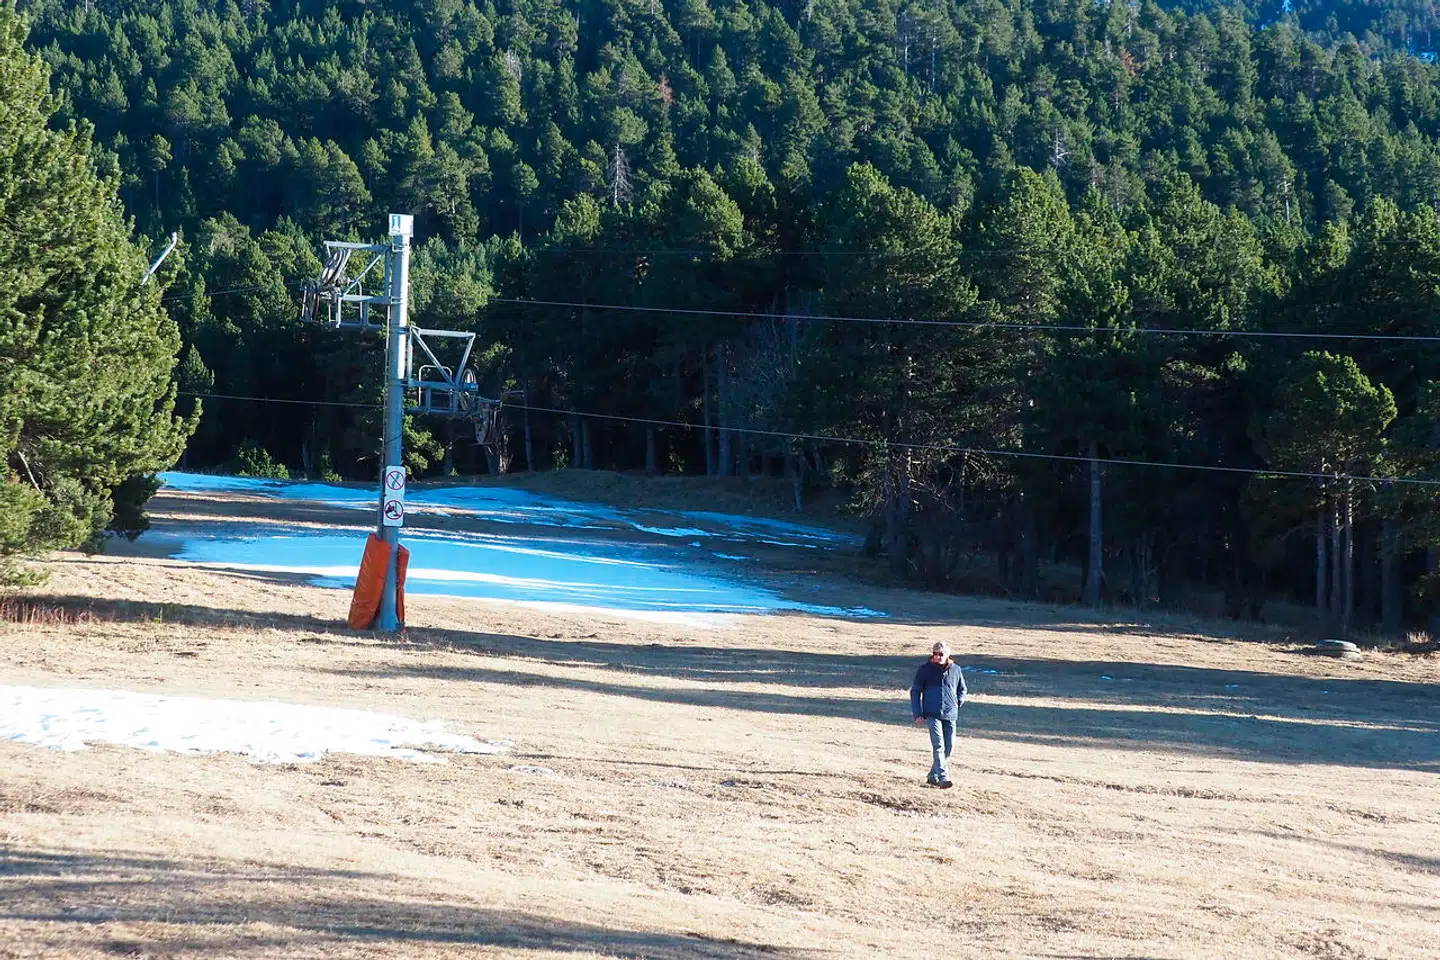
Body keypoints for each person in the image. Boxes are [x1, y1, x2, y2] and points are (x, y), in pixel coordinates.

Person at [910, 640, 968, 788]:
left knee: (949, 747)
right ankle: (943, 777)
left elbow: (963, 689)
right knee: (938, 745)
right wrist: (918, 713)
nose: (937, 657)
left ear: (948, 654)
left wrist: (957, 702)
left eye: (941, 654)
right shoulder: (925, 670)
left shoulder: (956, 670)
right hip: (932, 713)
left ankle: (932, 775)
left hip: (950, 714)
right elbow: (915, 691)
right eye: (935, 654)